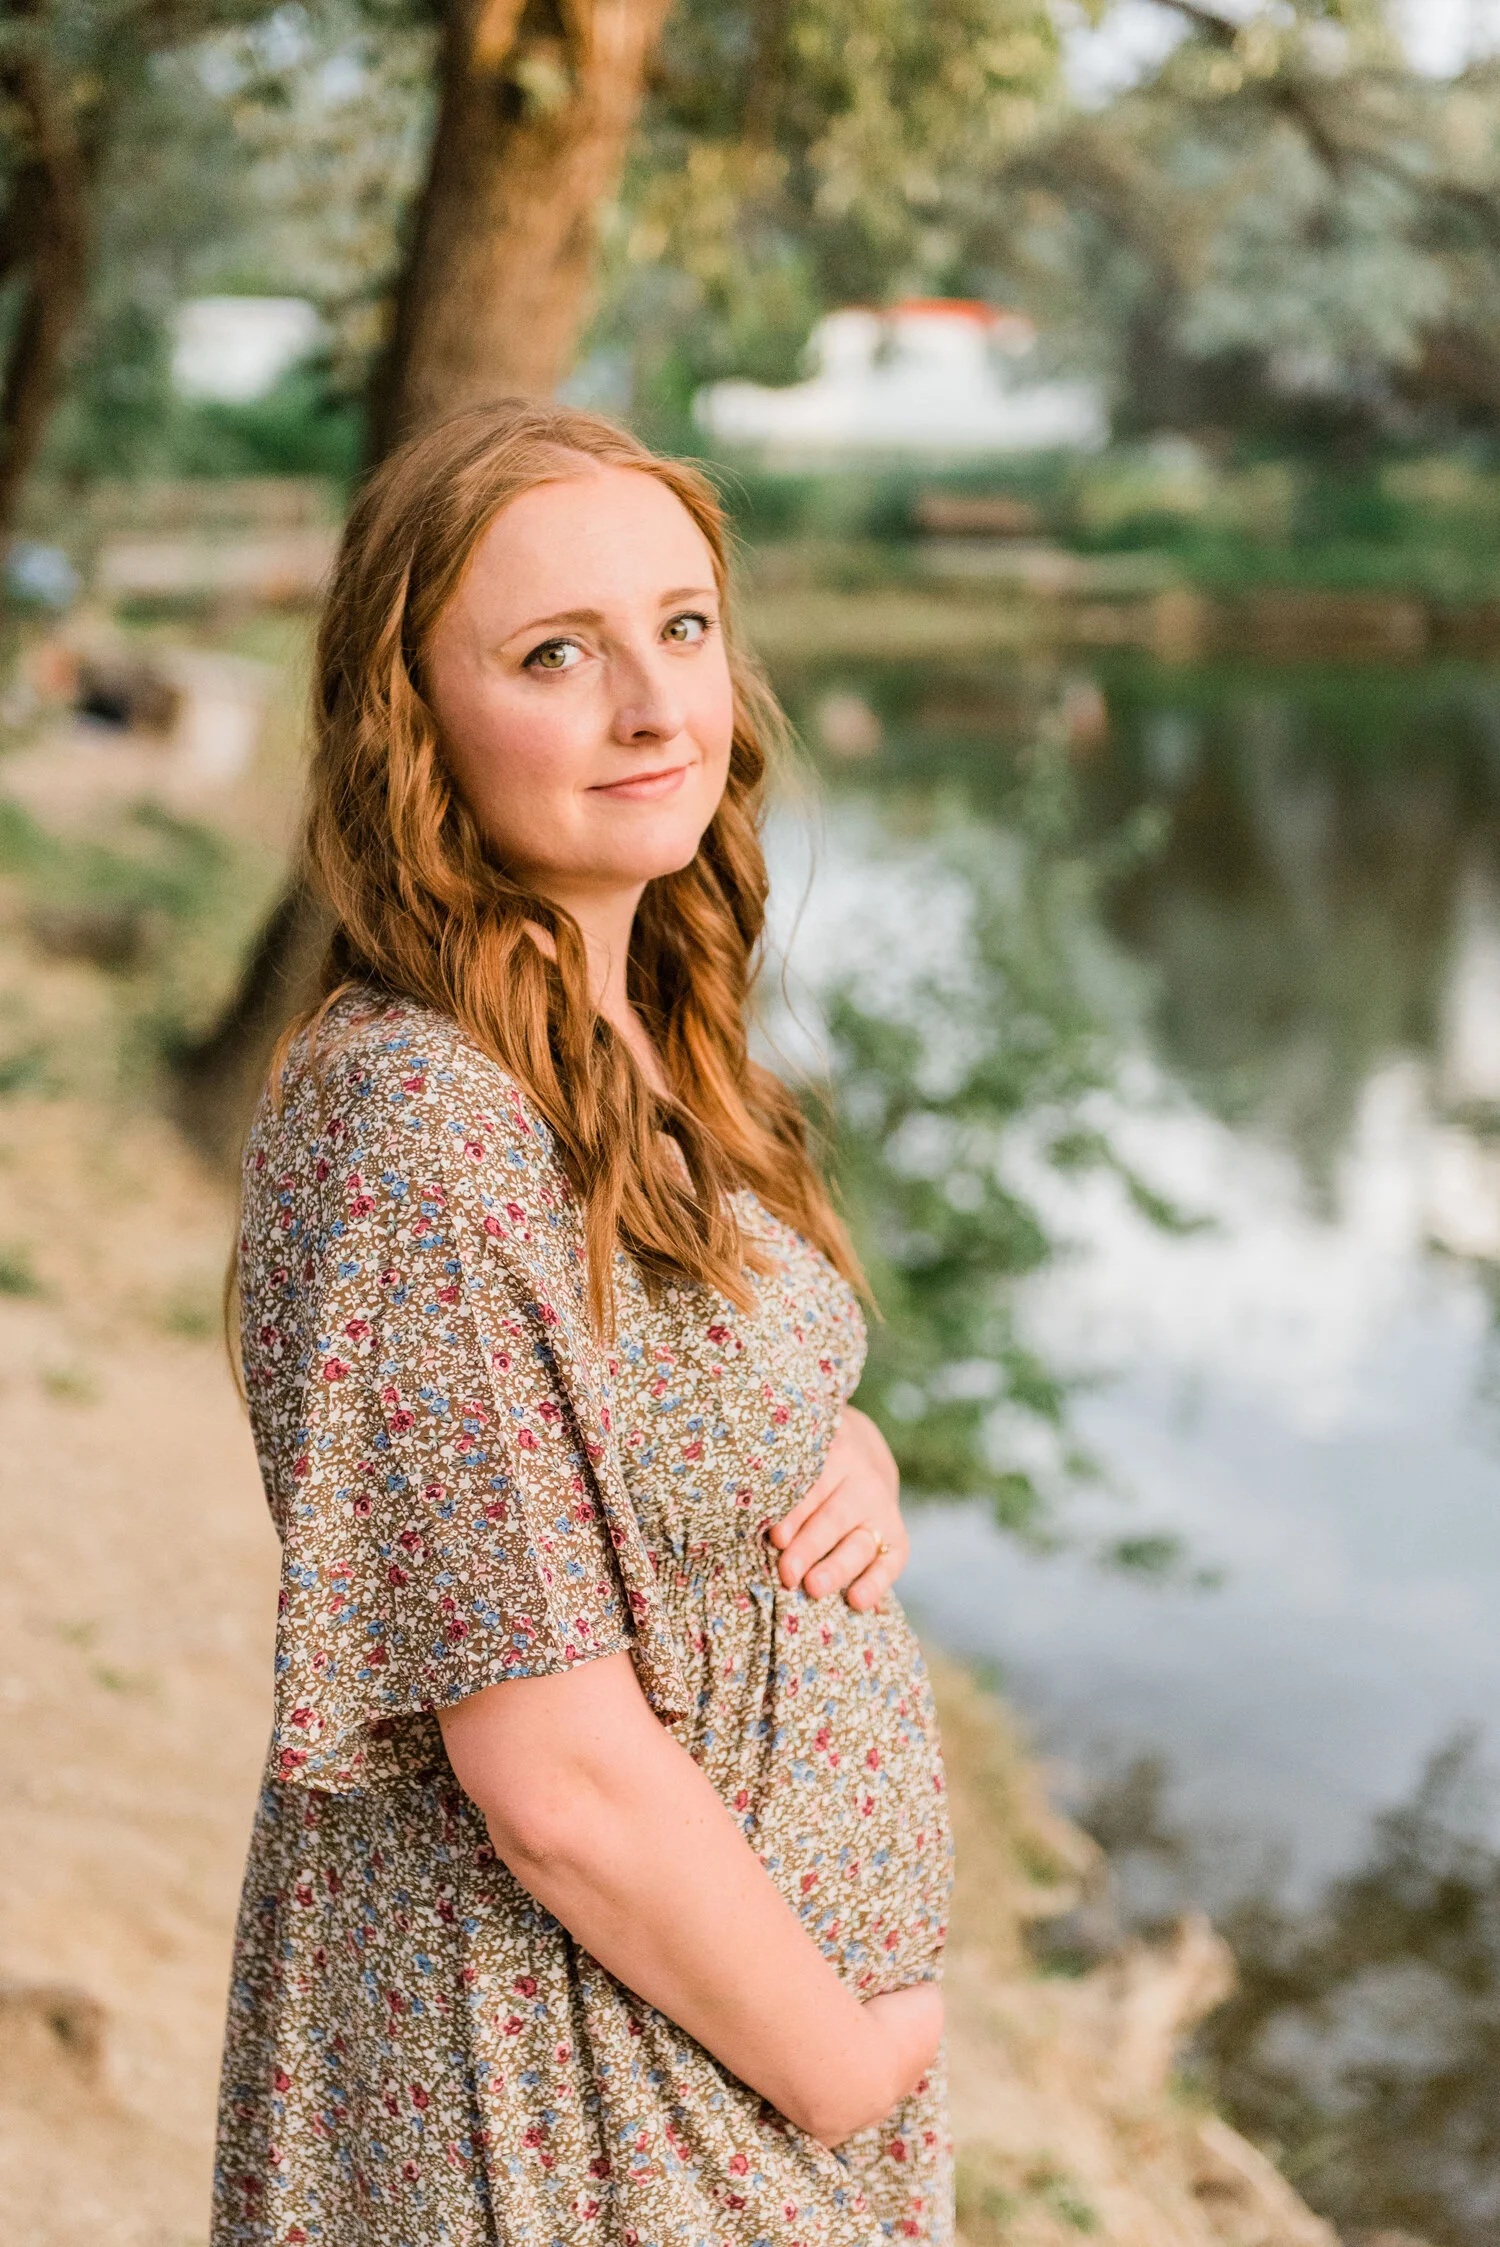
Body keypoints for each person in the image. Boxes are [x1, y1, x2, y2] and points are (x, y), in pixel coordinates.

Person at [213, 399, 953, 2247]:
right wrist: (846, 2068)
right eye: (560, 653)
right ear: (415, 721)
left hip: (707, 2050)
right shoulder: (422, 1120)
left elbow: (630, 1432)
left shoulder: (630, 1032)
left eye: (682, 627)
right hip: (566, 2080)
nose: (655, 707)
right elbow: (548, 1774)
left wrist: (833, 1449)